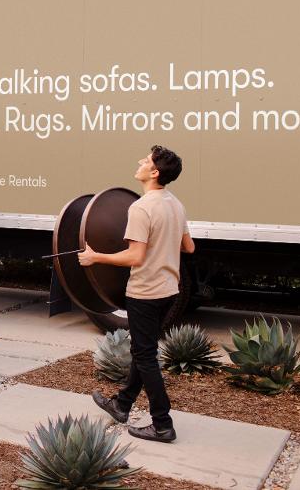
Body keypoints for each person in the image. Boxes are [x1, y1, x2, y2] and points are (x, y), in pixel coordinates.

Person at [78, 145, 195, 443]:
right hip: (169, 290)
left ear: (154, 172)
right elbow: (189, 247)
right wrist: (164, 242)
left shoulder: (141, 208)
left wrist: (96, 257)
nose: (140, 162)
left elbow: (135, 257)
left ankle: (162, 423)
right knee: (142, 351)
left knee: (145, 357)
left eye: (145, 160)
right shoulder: (175, 204)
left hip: (145, 292)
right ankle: (122, 404)